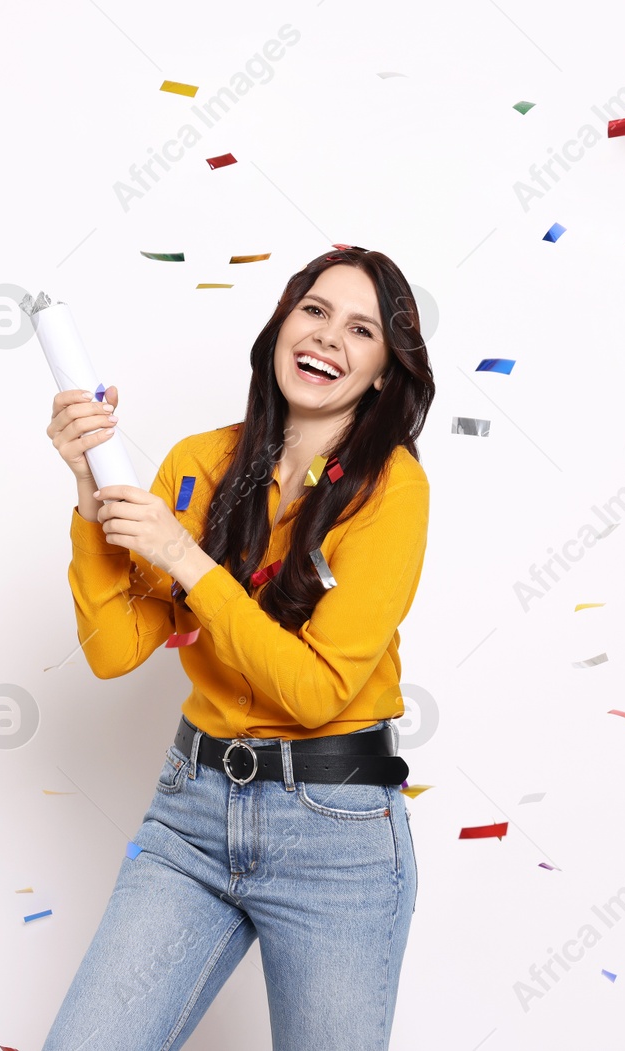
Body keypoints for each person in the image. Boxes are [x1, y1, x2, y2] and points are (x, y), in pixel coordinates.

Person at [40, 245, 435, 1050]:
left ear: (386, 372)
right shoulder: (201, 462)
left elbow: (319, 690)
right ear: (282, 325)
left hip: (338, 834)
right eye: (315, 311)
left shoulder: (393, 489)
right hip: (192, 812)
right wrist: (90, 496)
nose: (329, 337)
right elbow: (115, 648)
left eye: (362, 330)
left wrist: (185, 558)